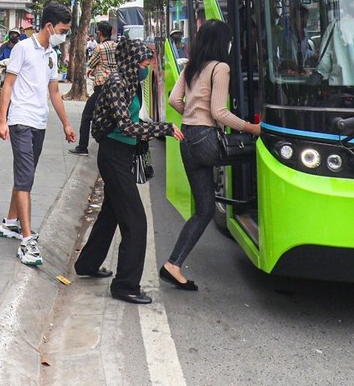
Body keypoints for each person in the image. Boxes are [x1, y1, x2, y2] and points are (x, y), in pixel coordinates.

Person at [76, 38, 184, 304]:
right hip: (113, 156)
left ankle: (87, 264)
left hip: (122, 156)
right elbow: (126, 125)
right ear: (130, 61)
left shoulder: (129, 81)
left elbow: (133, 120)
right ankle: (125, 286)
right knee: (135, 222)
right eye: (144, 64)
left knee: (110, 213)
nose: (146, 69)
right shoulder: (116, 83)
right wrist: (163, 128)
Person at [163, 19, 261, 291]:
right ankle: (257, 203)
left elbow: (173, 100)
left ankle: (173, 265)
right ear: (222, 42)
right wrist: (251, 127)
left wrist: (192, 116)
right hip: (206, 140)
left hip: (187, 139)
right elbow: (220, 112)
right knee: (257, 154)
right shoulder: (221, 67)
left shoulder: (191, 66)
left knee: (205, 209)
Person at [0, 1, 77, 266]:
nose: (63, 35)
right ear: (49, 26)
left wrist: (66, 124)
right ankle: (27, 241)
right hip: (20, 120)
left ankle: (10, 222)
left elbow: (54, 91)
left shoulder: (51, 54)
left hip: (39, 122)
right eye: (62, 31)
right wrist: (2, 121)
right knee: (26, 178)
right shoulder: (22, 48)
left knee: (24, 174)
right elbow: (8, 85)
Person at [70, 21, 117, 155]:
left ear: (99, 33)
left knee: (86, 116)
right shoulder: (117, 46)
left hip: (101, 87)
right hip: (115, 86)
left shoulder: (99, 48)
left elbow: (91, 63)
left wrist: (95, 68)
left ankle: (82, 146)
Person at [0, 28, 21, 96]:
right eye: (12, 35)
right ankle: (0, 94)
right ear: (9, 36)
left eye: (16, 35)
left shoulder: (22, 46)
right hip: (4, 68)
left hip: (18, 69)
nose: (14, 37)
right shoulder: (4, 46)